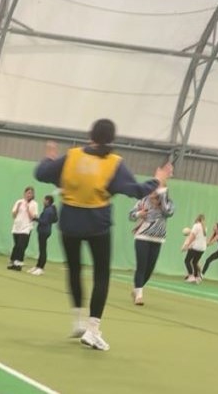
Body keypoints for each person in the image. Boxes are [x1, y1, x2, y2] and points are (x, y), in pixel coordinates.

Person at [35, 118, 172, 351]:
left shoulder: (73, 156)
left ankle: (78, 320)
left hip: (69, 223)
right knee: (101, 275)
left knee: (75, 269)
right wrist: (159, 180)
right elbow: (136, 190)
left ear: (90, 135)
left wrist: (49, 158)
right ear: (112, 139)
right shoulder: (114, 163)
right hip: (97, 224)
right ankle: (93, 329)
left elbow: (41, 173)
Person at [128, 187, 173, 305]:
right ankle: (139, 296)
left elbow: (169, 213)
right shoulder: (143, 201)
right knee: (141, 266)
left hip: (158, 239)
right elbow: (131, 216)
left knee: (149, 269)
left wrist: (162, 198)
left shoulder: (167, 204)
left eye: (157, 191)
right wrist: (139, 213)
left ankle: (137, 289)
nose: (153, 193)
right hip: (142, 237)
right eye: (152, 190)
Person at [7, 187, 38, 271]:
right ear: (24, 193)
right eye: (28, 192)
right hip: (17, 227)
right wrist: (17, 207)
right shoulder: (19, 202)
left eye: (31, 193)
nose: (29, 194)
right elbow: (14, 215)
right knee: (16, 246)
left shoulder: (34, 204)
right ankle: (13, 262)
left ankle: (19, 264)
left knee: (22, 245)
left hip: (26, 228)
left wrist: (28, 208)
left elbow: (33, 217)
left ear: (33, 195)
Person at [28, 195, 59, 276]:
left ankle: (41, 268)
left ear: (48, 201)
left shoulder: (48, 210)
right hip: (45, 231)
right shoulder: (50, 209)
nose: (43, 201)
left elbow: (44, 221)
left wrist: (35, 218)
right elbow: (54, 220)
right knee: (41, 249)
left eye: (44, 200)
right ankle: (38, 266)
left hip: (44, 232)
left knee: (42, 250)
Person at [182, 214, 207, 284]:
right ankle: (196, 277)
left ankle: (191, 276)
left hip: (196, 247)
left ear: (197, 219)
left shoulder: (196, 226)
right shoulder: (205, 227)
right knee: (195, 262)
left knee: (187, 261)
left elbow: (192, 237)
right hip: (202, 248)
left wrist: (186, 245)